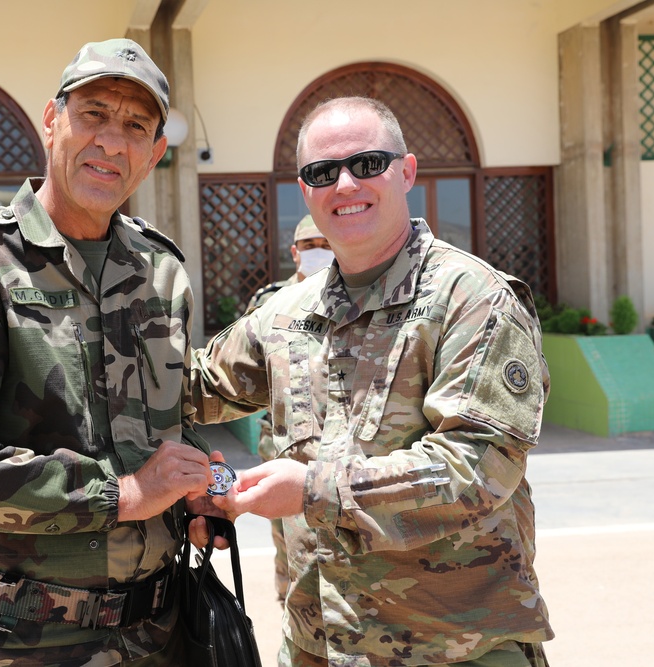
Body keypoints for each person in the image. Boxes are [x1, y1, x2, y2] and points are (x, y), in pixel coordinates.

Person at [191, 96, 554, 666]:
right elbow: (188, 389)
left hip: (450, 648)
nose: (344, 184)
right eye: (321, 172)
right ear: (304, 192)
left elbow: (478, 468)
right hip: (316, 643)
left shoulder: (472, 299)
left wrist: (314, 490)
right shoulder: (287, 313)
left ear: (405, 172)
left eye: (366, 164)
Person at [0, 38, 215, 666]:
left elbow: (170, 424)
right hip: (23, 641)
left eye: (135, 125)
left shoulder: (160, 272)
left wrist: (194, 495)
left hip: (159, 634)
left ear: (155, 153)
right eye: (93, 113)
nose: (110, 141)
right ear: (52, 121)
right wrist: (122, 496)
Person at [242, 214, 334, 604]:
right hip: (282, 439)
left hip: (336, 440)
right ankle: (291, 605)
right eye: (310, 246)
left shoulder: (353, 295)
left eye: (324, 245)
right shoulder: (271, 301)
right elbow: (246, 367)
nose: (318, 253)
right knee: (288, 535)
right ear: (295, 252)